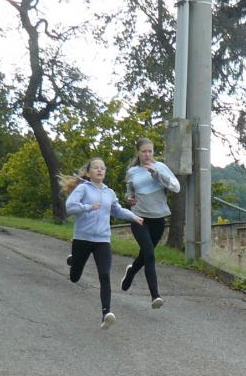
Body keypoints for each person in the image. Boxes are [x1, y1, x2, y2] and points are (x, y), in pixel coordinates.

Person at [62, 157, 141, 328]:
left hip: (102, 240)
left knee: (105, 275)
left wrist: (134, 217)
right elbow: (70, 206)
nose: (99, 170)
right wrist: (88, 207)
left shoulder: (109, 192)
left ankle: (106, 313)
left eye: (102, 168)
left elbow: (117, 210)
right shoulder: (83, 188)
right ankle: (73, 260)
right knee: (74, 277)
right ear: (88, 172)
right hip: (82, 238)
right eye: (96, 168)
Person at [121, 138, 181, 309]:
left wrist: (157, 174)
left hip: (158, 219)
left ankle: (131, 272)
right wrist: (128, 198)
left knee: (144, 255)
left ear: (153, 152)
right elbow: (129, 192)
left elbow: (176, 187)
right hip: (139, 218)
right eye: (144, 151)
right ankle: (155, 296)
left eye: (150, 151)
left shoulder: (160, 167)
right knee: (149, 254)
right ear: (138, 153)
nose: (147, 155)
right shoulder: (133, 171)